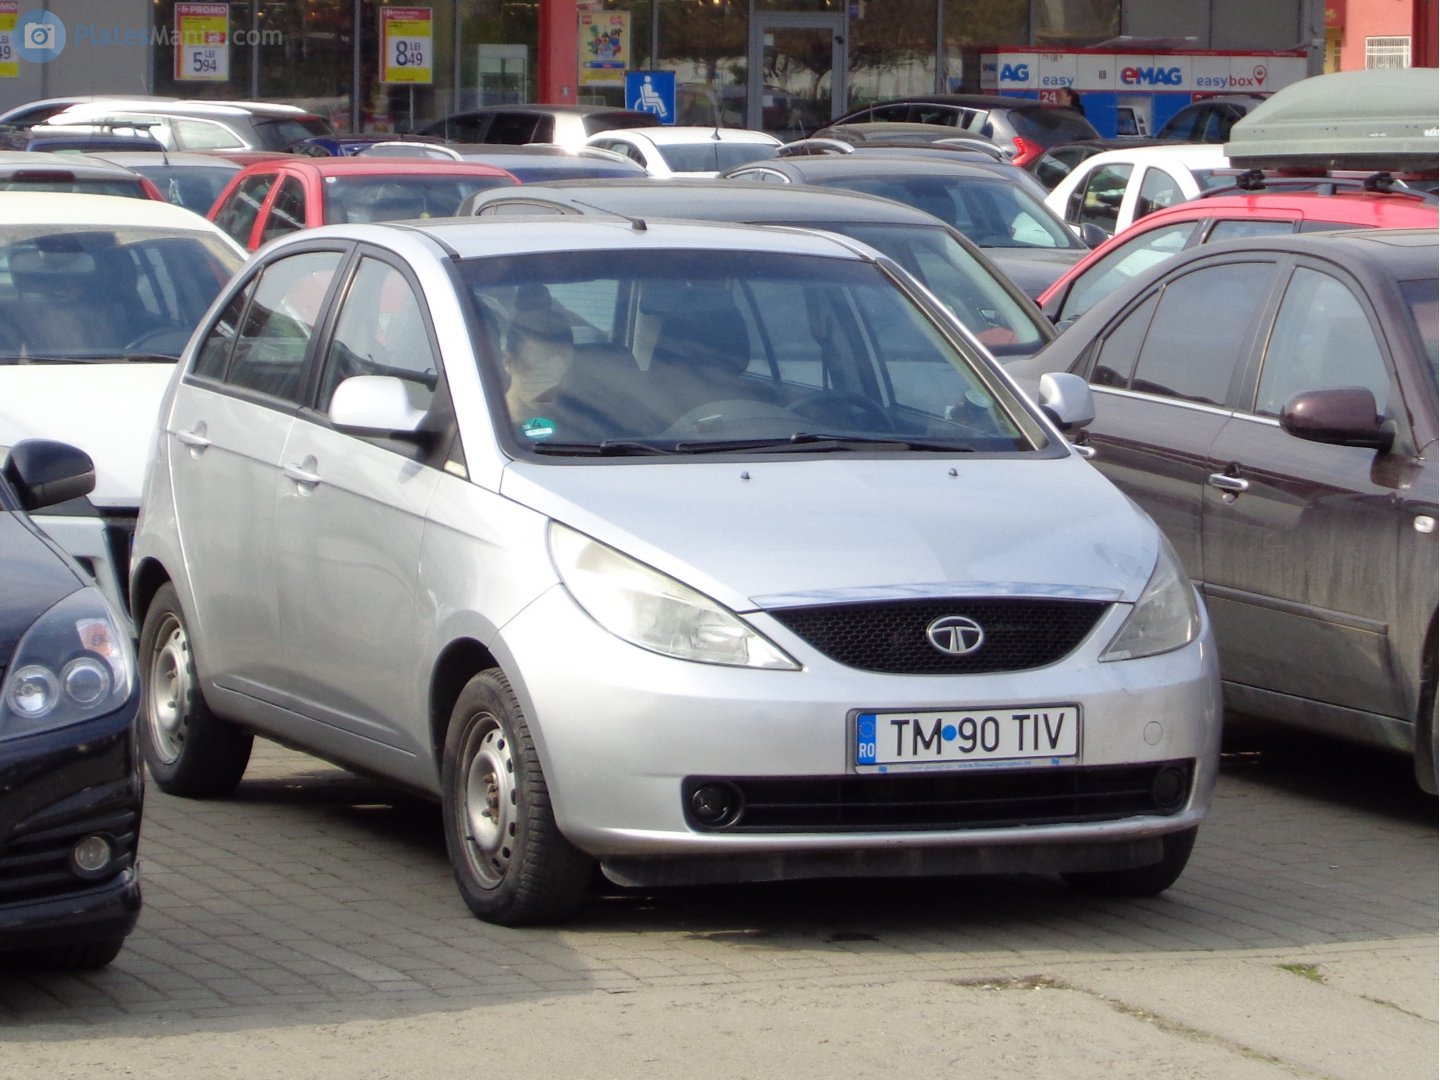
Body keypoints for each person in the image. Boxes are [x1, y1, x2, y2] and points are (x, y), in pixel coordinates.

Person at [503, 296, 574, 424]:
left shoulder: (585, 427)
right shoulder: (477, 424)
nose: (550, 383)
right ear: (508, 363)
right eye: (538, 367)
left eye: (561, 368)